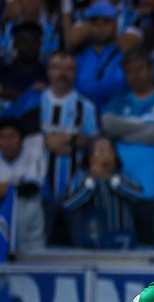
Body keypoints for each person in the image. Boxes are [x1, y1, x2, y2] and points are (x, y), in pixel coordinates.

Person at [1, 51, 99, 201]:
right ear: (48, 71)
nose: (62, 73)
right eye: (57, 67)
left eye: (69, 69)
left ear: (75, 73)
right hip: (36, 193)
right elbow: (13, 133)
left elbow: (94, 141)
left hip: (76, 191)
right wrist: (45, 143)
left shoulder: (87, 107)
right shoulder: (32, 101)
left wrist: (70, 139)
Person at [101, 48, 154, 199]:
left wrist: (126, 136)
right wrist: (150, 129)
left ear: (151, 69)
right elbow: (108, 124)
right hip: (123, 187)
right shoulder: (118, 102)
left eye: (140, 68)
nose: (135, 75)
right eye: (129, 71)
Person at [61, 136, 144, 249]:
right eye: (99, 151)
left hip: (123, 239)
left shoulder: (125, 177)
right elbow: (68, 205)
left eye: (109, 151)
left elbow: (138, 196)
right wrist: (90, 183)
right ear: (90, 157)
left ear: (115, 156)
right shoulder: (79, 179)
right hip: (91, 239)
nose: (105, 156)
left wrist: (113, 181)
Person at [0, 116, 45, 252]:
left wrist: (6, 188)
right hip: (3, 225)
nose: (8, 142)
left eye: (12, 136)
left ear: (21, 138)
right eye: (3, 137)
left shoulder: (33, 153)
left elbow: (32, 187)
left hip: (30, 226)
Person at [73, 2, 128, 112]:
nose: (100, 27)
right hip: (84, 118)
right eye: (95, 23)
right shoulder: (78, 59)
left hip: (119, 117)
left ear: (116, 24)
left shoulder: (126, 57)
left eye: (106, 22)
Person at [0, 21, 47, 105]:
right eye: (23, 41)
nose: (29, 45)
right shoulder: (4, 70)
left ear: (40, 43)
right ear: (15, 44)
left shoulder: (47, 72)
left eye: (33, 40)